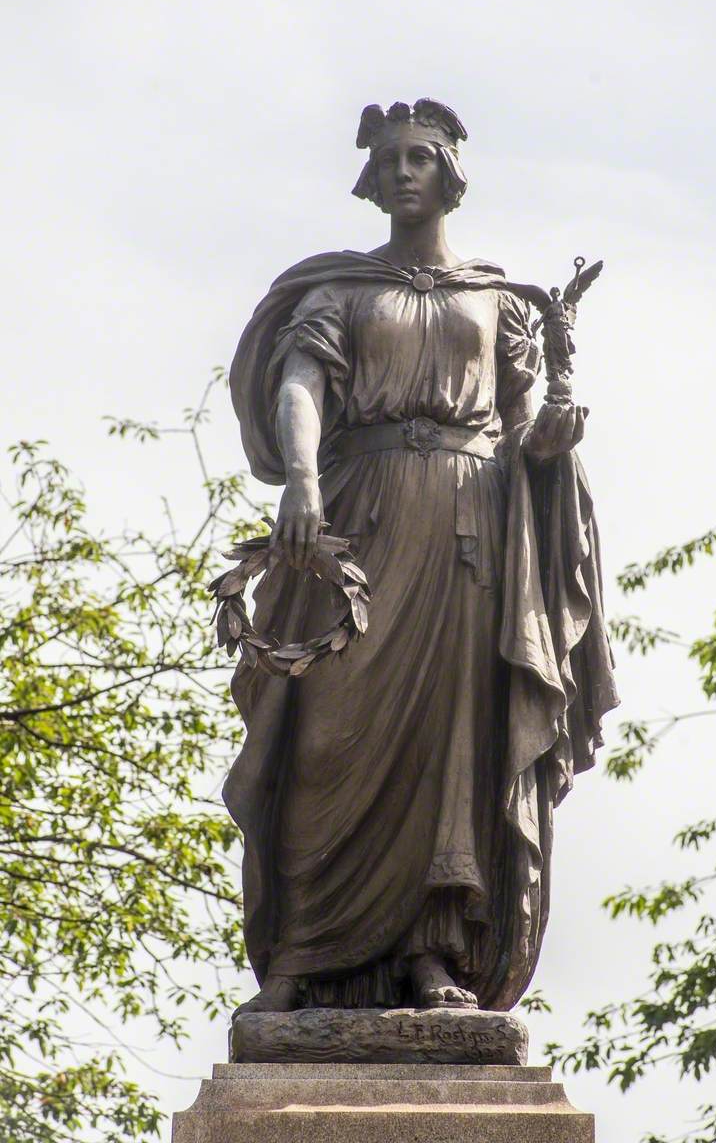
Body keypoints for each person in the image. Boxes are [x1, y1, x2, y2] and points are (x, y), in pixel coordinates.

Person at [225, 99, 617, 1015]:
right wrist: (302, 484)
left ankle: (434, 954)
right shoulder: (339, 293)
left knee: (455, 744)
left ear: (449, 175)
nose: (403, 172)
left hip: (466, 541)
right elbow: (298, 385)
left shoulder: (500, 300)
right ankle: (302, 956)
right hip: (354, 527)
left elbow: (523, 428)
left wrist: (552, 442)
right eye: (390, 159)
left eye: (419, 158)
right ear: (372, 178)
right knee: (326, 737)